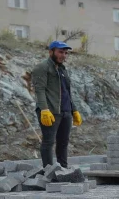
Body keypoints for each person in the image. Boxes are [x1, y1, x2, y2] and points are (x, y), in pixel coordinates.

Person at [31, 40, 82, 168]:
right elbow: (40, 90)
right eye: (60, 52)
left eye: (65, 53)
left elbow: (67, 92)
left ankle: (63, 170)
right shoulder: (42, 67)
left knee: (63, 142)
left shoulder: (63, 69)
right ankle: (49, 172)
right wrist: (44, 109)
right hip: (50, 111)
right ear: (51, 52)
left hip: (65, 111)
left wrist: (73, 110)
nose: (63, 55)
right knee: (48, 142)